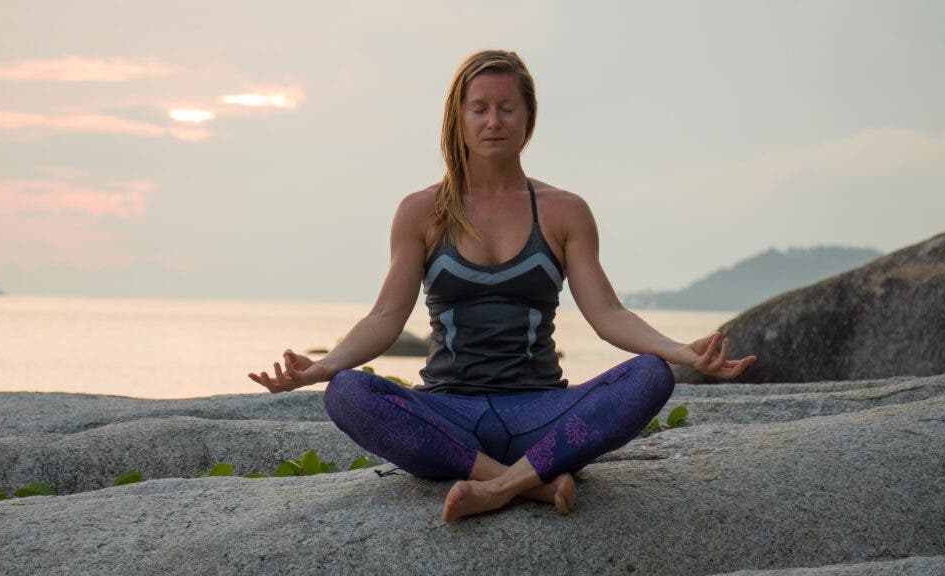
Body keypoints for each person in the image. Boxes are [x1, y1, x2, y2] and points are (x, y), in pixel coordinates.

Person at [249, 50, 756, 523]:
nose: (493, 121)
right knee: (347, 393)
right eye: (480, 109)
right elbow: (385, 319)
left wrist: (680, 353)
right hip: (450, 415)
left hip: (540, 413)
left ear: (528, 119)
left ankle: (491, 489)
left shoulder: (564, 211)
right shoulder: (421, 211)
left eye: (507, 109)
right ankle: (528, 484)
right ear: (460, 118)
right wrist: (322, 367)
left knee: (651, 376)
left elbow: (608, 314)